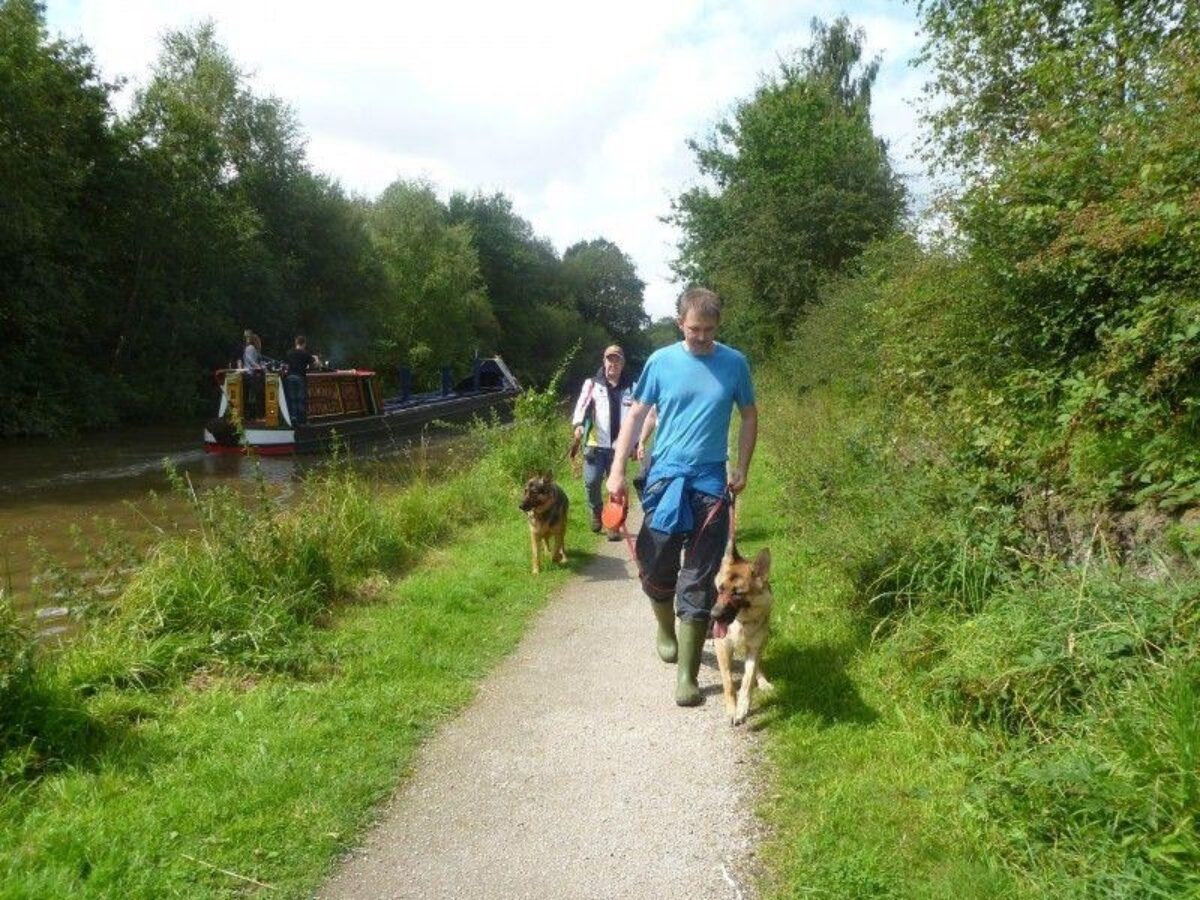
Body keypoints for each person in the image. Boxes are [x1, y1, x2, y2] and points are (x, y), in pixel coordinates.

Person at [606, 287, 757, 706]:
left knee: (700, 574)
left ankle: (687, 678)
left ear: (718, 325)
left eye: (709, 331)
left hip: (710, 483)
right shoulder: (661, 362)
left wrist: (742, 463)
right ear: (680, 324)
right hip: (665, 480)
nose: (702, 339)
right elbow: (636, 414)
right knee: (657, 566)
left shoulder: (735, 364)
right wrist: (617, 470)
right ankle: (664, 628)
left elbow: (748, 414)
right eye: (694, 330)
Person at [571, 345, 638, 540]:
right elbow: (581, 407)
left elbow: (638, 417)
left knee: (616, 487)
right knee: (591, 482)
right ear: (604, 361)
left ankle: (613, 525)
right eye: (610, 359)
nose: (613, 364)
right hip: (594, 444)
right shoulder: (592, 384)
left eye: (617, 360)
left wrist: (635, 444)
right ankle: (596, 510)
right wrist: (578, 425)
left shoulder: (632, 387)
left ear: (623, 363)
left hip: (620, 447)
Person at [284, 335, 315, 425]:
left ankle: (293, 418)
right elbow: (315, 364)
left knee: (292, 399)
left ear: (296, 343)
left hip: (290, 377)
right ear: (303, 344)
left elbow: (285, 366)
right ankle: (302, 420)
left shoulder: (289, 352)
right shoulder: (305, 354)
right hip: (300, 377)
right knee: (301, 399)